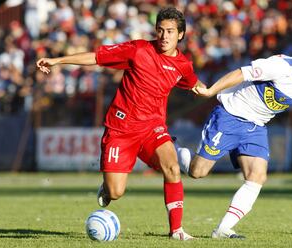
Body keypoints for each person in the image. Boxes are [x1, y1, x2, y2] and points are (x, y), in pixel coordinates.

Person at [37, 7, 205, 240]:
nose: (164, 36)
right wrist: (58, 61)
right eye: (160, 30)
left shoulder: (183, 66)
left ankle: (176, 230)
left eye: (170, 31)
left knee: (172, 167)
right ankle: (107, 187)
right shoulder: (138, 50)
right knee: (116, 193)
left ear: (181, 35)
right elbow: (96, 57)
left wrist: (221, 91)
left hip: (152, 128)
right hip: (120, 130)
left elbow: (197, 86)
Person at [176, 38, 292, 239]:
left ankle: (223, 229)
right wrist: (211, 90)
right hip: (229, 116)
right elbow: (241, 73)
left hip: (256, 126)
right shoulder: (279, 66)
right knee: (197, 172)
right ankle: (171, 146)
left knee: (257, 176)